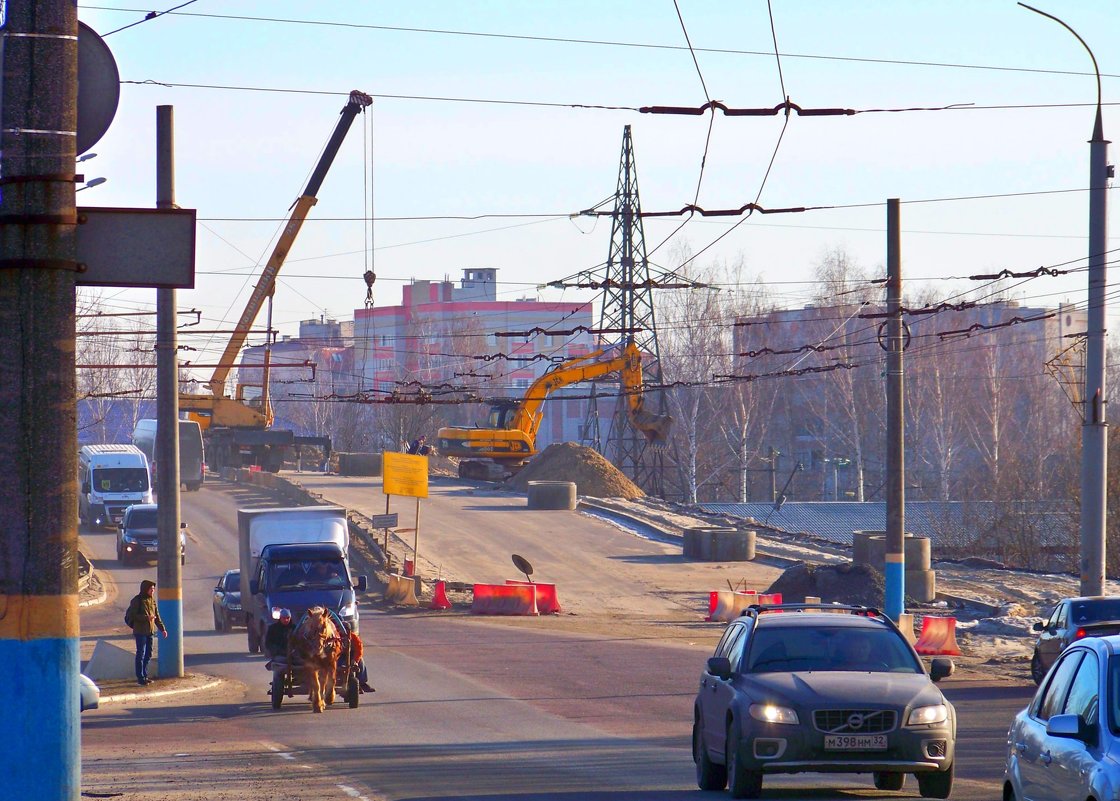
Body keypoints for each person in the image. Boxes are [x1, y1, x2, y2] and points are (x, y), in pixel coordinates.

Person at [125, 579, 167, 686]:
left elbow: (157, 616)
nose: (152, 591)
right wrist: (146, 618)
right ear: (145, 589)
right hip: (140, 631)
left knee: (148, 654)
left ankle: (145, 675)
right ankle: (140, 677)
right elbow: (133, 615)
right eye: (151, 589)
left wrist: (162, 629)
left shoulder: (152, 601)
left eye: (153, 589)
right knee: (141, 654)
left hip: (150, 631)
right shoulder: (137, 600)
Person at [344, 621, 374, 693]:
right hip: (336, 658)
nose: (344, 632)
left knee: (361, 661)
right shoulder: (333, 637)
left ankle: (362, 683)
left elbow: (359, 650)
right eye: (342, 629)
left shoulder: (353, 637)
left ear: (349, 630)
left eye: (346, 630)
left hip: (350, 656)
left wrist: (355, 660)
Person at [264, 608, 295, 677]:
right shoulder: (273, 628)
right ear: (280, 618)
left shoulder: (294, 628)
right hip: (280, 655)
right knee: (279, 669)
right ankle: (276, 685)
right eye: (284, 618)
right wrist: (277, 650)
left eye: (288, 618)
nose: (286, 620)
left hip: (294, 655)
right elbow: (268, 643)